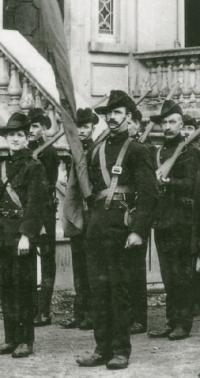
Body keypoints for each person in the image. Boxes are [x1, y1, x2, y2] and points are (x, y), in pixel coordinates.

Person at [77, 90, 157, 369]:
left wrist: (138, 230)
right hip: (97, 227)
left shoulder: (138, 150)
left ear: (128, 117)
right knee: (98, 290)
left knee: (119, 291)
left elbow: (148, 195)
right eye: (109, 113)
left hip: (122, 230)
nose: (112, 118)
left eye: (118, 113)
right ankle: (101, 348)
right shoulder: (97, 149)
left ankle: (120, 350)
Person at [149, 100, 199, 340]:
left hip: (182, 221)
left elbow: (192, 186)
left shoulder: (191, 153)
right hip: (161, 221)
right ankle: (171, 321)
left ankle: (183, 323)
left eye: (172, 122)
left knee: (182, 275)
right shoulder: (158, 152)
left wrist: (169, 184)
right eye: (164, 122)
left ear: (181, 124)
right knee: (168, 276)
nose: (168, 126)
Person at [0, 112, 47, 357]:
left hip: (21, 236)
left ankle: (25, 340)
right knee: (6, 286)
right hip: (2, 235)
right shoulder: (4, 165)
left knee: (23, 288)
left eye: (19, 135)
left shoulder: (34, 166)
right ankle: (10, 338)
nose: (15, 139)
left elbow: (36, 204)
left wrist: (27, 235)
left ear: (26, 137)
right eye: (11, 135)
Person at [60, 108, 98, 330]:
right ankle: (79, 312)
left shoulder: (96, 150)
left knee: (91, 266)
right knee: (79, 266)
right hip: (77, 214)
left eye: (85, 126)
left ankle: (92, 314)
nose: (82, 131)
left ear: (92, 127)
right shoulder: (72, 151)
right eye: (78, 127)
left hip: (91, 214)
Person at [28, 108, 59, 326]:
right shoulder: (26, 151)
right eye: (29, 126)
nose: (31, 130)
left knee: (47, 258)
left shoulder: (49, 153)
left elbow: (47, 185)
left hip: (45, 211)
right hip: (28, 212)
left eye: (36, 126)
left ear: (45, 129)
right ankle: (31, 308)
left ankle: (44, 309)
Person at [127, 107, 148, 335]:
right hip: (123, 216)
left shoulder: (144, 150)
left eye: (133, 123)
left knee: (136, 269)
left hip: (137, 215)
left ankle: (140, 318)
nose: (129, 126)